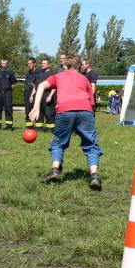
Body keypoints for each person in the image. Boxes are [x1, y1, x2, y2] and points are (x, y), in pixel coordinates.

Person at [29, 54, 103, 191]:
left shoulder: (58, 76)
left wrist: (36, 107)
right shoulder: (85, 78)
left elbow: (41, 86)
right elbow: (91, 101)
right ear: (79, 66)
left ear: (64, 65)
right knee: (91, 143)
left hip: (65, 110)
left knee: (59, 141)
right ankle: (94, 175)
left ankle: (55, 170)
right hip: (85, 110)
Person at [30, 59, 56, 132]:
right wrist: (32, 95)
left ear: (48, 65)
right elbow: (36, 85)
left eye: (44, 63)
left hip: (47, 94)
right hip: (38, 95)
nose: (42, 64)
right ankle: (39, 127)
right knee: (39, 111)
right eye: (42, 63)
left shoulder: (51, 74)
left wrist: (50, 96)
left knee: (49, 112)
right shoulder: (39, 74)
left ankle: (50, 128)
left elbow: (54, 87)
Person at [0, 59, 17, 130]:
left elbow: (13, 84)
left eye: (5, 64)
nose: (4, 65)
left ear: (7, 64)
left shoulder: (11, 73)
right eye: (2, 63)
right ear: (0, 64)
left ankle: (9, 126)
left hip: (8, 93)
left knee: (8, 109)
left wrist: (9, 90)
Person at [24, 57, 37, 129]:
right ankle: (29, 126)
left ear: (34, 64)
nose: (29, 65)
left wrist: (32, 95)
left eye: (30, 63)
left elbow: (36, 85)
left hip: (35, 94)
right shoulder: (28, 73)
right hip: (27, 93)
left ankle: (38, 126)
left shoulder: (38, 73)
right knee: (27, 110)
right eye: (28, 64)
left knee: (35, 109)